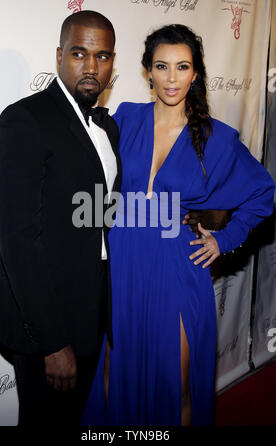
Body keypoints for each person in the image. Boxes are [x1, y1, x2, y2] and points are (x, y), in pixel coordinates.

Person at [81, 24, 275, 426]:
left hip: (178, 269)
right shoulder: (125, 118)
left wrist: (226, 240)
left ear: (196, 73)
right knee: (111, 377)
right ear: (147, 71)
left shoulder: (216, 138)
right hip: (122, 265)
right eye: (162, 66)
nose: (172, 78)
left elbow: (263, 193)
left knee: (179, 383)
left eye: (182, 67)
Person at [0, 10, 121, 426]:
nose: (91, 66)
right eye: (79, 53)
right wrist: (52, 342)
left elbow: (98, 218)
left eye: (102, 56)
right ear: (59, 55)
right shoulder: (25, 119)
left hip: (91, 308)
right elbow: (18, 240)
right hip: (46, 320)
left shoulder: (107, 129)